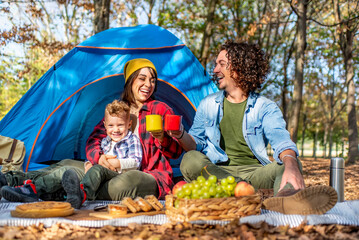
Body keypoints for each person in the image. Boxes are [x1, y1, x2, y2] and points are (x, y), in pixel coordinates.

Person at [169, 41, 338, 215]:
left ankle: (287, 198)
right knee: (190, 159)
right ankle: (246, 191)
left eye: (221, 64)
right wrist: (180, 134)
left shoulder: (265, 107)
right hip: (216, 173)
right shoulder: (208, 105)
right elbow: (194, 145)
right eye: (216, 65)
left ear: (238, 68)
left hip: (256, 175)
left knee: (289, 163)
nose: (215, 70)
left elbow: (280, 139)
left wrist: (291, 163)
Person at [62, 58, 183, 207]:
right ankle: (31, 185)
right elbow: (94, 140)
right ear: (131, 81)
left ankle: (73, 190)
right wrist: (99, 159)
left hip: (148, 174)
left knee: (128, 180)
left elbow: (177, 151)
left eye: (152, 81)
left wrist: (162, 138)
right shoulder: (120, 109)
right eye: (142, 79)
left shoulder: (160, 109)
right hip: (111, 171)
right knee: (67, 165)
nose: (148, 84)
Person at [62, 99, 142, 208]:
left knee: (98, 169)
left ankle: (83, 193)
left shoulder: (132, 140)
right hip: (103, 173)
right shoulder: (105, 141)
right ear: (104, 125)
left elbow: (136, 162)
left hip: (119, 174)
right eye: (111, 125)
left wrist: (118, 163)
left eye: (120, 125)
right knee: (92, 169)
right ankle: (71, 193)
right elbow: (95, 159)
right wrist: (88, 164)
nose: (116, 130)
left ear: (129, 124)